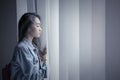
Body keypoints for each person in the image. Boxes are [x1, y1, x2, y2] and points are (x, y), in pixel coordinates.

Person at [10, 12, 47, 80]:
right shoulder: (22, 48)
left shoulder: (33, 47)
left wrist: (43, 60)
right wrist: (43, 62)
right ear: (27, 27)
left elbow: (40, 75)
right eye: (37, 26)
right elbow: (33, 77)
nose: (40, 29)